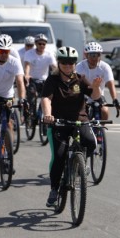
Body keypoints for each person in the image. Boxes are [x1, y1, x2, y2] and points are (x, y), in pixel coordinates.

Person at [41, 46, 102, 207]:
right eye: (65, 62)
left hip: (79, 120)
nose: (68, 65)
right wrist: (48, 115)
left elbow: (95, 97)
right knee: (59, 157)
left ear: (75, 63)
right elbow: (46, 99)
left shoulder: (80, 79)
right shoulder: (52, 80)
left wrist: (95, 88)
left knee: (91, 142)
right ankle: (54, 188)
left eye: (72, 62)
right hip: (58, 122)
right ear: (59, 63)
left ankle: (78, 164)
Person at [75, 41, 120, 119]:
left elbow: (110, 84)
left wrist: (114, 99)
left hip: (99, 96)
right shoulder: (80, 66)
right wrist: (75, 96)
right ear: (86, 55)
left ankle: (101, 129)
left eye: (98, 55)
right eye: (92, 55)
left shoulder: (105, 67)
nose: (95, 58)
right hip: (83, 96)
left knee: (105, 111)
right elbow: (75, 83)